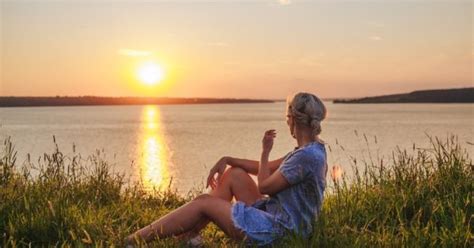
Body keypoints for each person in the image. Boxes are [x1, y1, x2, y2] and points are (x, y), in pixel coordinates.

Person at [126, 92, 328, 246]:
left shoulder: (305, 156)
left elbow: (265, 186)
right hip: (283, 220)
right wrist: (228, 159)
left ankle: (134, 240)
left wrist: (265, 151)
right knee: (235, 174)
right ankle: (189, 236)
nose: (287, 122)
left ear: (293, 119)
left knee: (203, 202)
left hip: (279, 232)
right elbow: (262, 169)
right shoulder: (311, 151)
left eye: (287, 117)